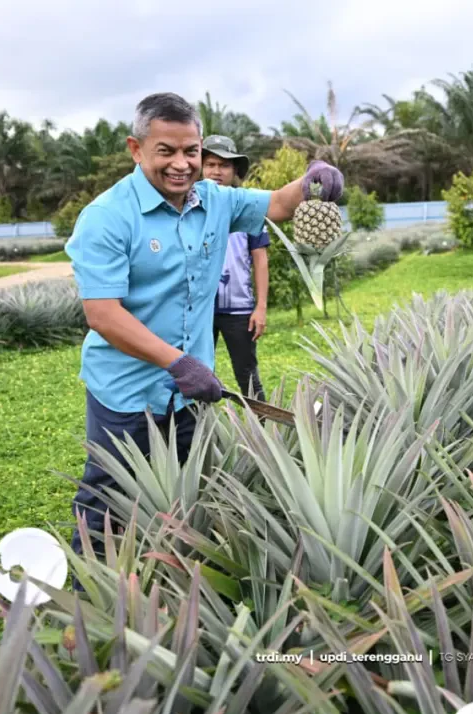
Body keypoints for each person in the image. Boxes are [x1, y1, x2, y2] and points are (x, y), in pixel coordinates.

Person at [65, 92, 343, 562]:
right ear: (136, 149)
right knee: (107, 503)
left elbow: (279, 203)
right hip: (127, 392)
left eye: (190, 151)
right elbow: (103, 315)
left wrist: (313, 178)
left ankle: (170, 578)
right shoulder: (107, 217)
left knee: (186, 496)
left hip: (190, 393)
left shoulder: (216, 201)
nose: (181, 164)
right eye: (166, 151)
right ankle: (88, 592)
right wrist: (177, 362)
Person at [200, 134, 268, 402]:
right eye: (210, 164)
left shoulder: (248, 208)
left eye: (224, 165)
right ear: (200, 168)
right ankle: (198, 426)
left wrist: (260, 307)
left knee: (248, 376)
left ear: (234, 171)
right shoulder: (188, 205)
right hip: (199, 309)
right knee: (197, 375)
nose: (216, 171)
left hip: (239, 309)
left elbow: (260, 258)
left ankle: (261, 425)